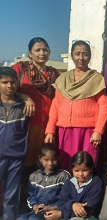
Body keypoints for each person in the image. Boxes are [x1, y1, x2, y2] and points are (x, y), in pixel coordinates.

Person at [44, 40, 107, 171]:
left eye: (85, 54)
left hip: (88, 132)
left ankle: (87, 192)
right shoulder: (62, 79)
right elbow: (55, 105)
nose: (81, 58)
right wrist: (50, 130)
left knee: (85, 167)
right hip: (65, 131)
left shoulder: (96, 79)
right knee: (67, 166)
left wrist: (98, 131)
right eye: (77, 54)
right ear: (72, 56)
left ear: (90, 56)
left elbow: (104, 107)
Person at [11, 37, 60, 170]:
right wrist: (24, 96)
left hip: (48, 126)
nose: (42, 53)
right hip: (25, 125)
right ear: (29, 53)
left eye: (45, 50)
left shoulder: (55, 74)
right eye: (37, 50)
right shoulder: (19, 69)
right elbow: (5, 88)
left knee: (44, 164)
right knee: (21, 163)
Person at [0, 67, 29, 220]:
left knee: (11, 197)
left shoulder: (24, 106)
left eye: (12, 82)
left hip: (16, 158)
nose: (9, 85)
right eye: (4, 82)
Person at [43, 152, 104, 220]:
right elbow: (61, 203)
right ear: (72, 169)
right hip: (68, 215)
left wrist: (61, 214)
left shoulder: (96, 182)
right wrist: (72, 205)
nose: (80, 174)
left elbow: (87, 210)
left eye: (84, 170)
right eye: (77, 170)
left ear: (91, 168)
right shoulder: (69, 182)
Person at [18, 144, 71, 220]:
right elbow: (30, 195)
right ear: (40, 159)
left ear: (58, 158)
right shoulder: (34, 176)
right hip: (37, 211)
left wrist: (52, 207)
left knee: (34, 219)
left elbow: (67, 197)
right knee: (21, 218)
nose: (50, 163)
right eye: (46, 160)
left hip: (54, 211)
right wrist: (34, 206)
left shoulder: (63, 176)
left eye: (53, 159)